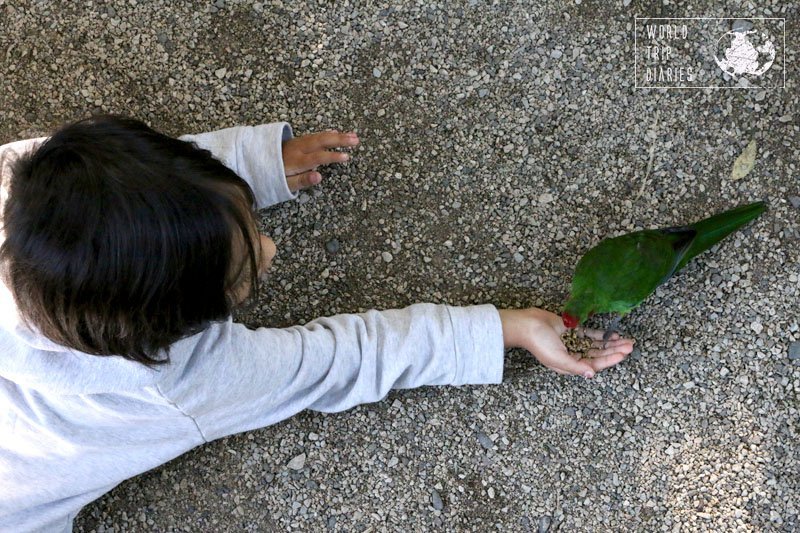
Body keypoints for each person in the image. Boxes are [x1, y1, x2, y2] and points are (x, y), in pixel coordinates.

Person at [0, 114, 634, 532]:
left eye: (243, 216)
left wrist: (250, 162)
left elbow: (133, 181)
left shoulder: (20, 185)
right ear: (172, 328)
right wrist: (504, 327)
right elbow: (336, 361)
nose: (269, 249)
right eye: (240, 272)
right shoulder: (175, 383)